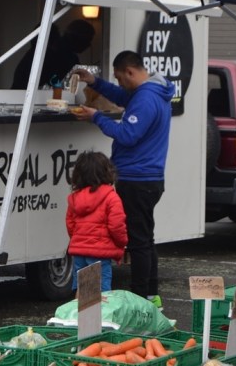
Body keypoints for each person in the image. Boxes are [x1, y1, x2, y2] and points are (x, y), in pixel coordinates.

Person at [71, 51, 174, 305]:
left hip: (137, 179)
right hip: (149, 178)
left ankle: (140, 299)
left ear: (130, 72)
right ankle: (151, 295)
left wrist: (96, 117)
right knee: (145, 239)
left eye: (119, 78)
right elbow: (122, 97)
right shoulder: (150, 92)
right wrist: (95, 82)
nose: (118, 83)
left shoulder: (146, 98)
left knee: (138, 242)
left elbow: (128, 135)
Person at [65, 150, 128, 293]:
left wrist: (79, 240)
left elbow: (70, 225)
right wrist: (121, 244)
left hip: (79, 252)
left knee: (83, 291)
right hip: (100, 253)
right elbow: (117, 226)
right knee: (101, 293)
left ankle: (80, 308)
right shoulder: (111, 198)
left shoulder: (74, 198)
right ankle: (98, 309)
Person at [11, 19, 95, 89]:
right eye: (87, 41)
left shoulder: (47, 52)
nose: (88, 45)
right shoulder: (62, 56)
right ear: (77, 39)